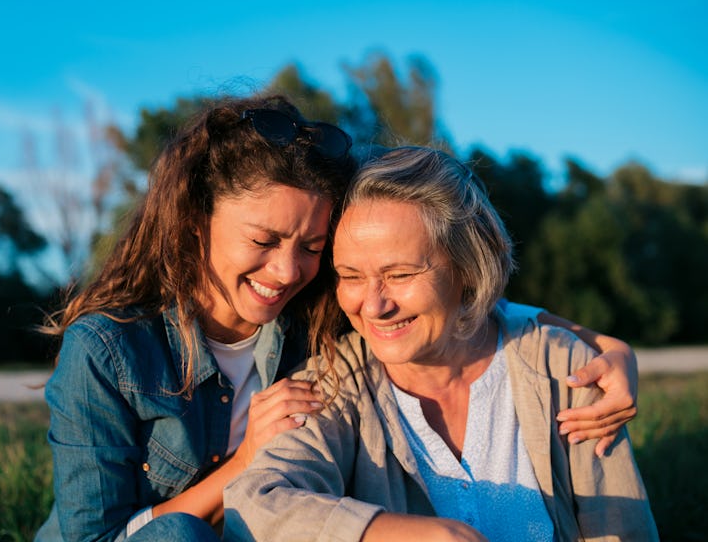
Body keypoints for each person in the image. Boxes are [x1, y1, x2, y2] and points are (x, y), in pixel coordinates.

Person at [34, 95, 637, 541]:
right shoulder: (109, 351)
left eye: (314, 247)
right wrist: (246, 463)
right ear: (196, 224)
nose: (288, 270)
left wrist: (600, 343)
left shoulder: (315, 318)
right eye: (263, 239)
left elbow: (453, 297)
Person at [223, 147, 658, 541]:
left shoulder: (565, 368)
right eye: (351, 276)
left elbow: (623, 531)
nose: (373, 306)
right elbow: (256, 501)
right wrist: (394, 535)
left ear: (469, 268)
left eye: (400, 274)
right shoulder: (332, 385)